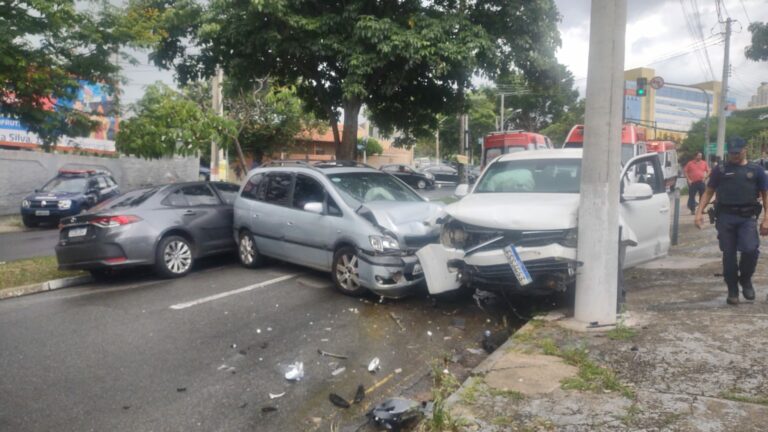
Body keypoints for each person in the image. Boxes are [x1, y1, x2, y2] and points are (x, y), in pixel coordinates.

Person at [695, 137, 768, 305]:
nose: (734, 156)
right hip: (725, 217)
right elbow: (708, 192)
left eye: (738, 152)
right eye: (732, 153)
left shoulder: (756, 170)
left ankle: (746, 279)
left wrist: (766, 219)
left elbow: (765, 195)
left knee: (750, 250)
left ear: (745, 150)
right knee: (728, 255)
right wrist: (699, 212)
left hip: (747, 217)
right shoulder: (720, 170)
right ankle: (732, 289)